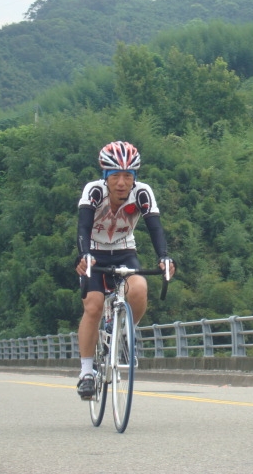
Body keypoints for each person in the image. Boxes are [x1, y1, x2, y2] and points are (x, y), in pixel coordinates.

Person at [74, 141, 175, 399]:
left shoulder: (142, 193)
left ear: (134, 177)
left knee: (139, 288)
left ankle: (127, 332)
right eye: (115, 176)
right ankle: (86, 372)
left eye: (127, 176)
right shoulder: (94, 191)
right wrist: (84, 255)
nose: (121, 183)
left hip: (124, 251)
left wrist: (164, 257)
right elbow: (83, 226)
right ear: (105, 176)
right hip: (94, 252)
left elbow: (155, 228)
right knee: (93, 306)